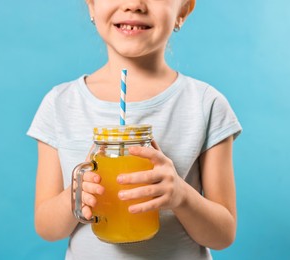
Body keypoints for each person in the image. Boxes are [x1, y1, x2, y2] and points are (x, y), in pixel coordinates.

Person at [27, 0, 242, 259]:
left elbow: (223, 234)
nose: (133, 4)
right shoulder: (60, 104)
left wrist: (181, 196)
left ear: (183, 10)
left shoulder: (206, 104)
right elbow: (47, 228)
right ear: (92, 6)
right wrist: (73, 197)